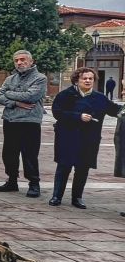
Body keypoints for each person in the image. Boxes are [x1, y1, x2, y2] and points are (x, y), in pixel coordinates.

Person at [49, 67, 123, 208]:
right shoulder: (65, 95)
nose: (88, 81)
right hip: (67, 138)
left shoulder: (100, 98)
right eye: (84, 78)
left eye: (91, 78)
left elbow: (115, 110)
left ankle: (77, 198)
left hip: (89, 139)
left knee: (82, 169)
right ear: (76, 81)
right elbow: (57, 112)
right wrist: (78, 116)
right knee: (63, 167)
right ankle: (56, 196)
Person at [0, 50, 47, 198]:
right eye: (16, 60)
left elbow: (31, 96)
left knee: (29, 153)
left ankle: (34, 183)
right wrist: (15, 103)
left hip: (29, 121)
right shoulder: (10, 78)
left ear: (31, 61)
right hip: (10, 120)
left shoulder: (40, 78)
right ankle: (12, 180)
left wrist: (9, 93)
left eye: (23, 59)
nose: (19, 63)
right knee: (9, 153)